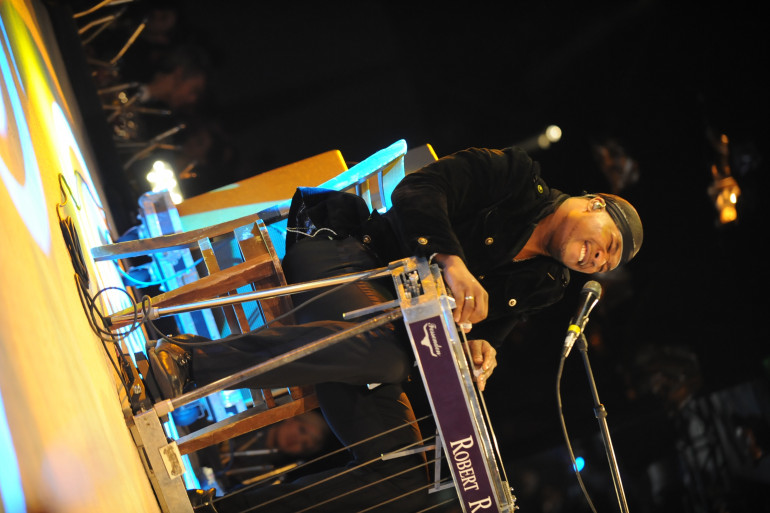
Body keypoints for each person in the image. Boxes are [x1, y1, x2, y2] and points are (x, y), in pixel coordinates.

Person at [150, 146, 643, 512]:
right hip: (350, 256)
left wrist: (482, 353)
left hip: (379, 348)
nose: (598, 260)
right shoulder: (515, 177)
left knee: (410, 487)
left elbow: (484, 331)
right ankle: (188, 361)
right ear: (595, 204)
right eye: (608, 244)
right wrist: (450, 260)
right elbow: (415, 191)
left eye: (607, 264)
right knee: (386, 355)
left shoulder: (548, 284)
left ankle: (219, 510)